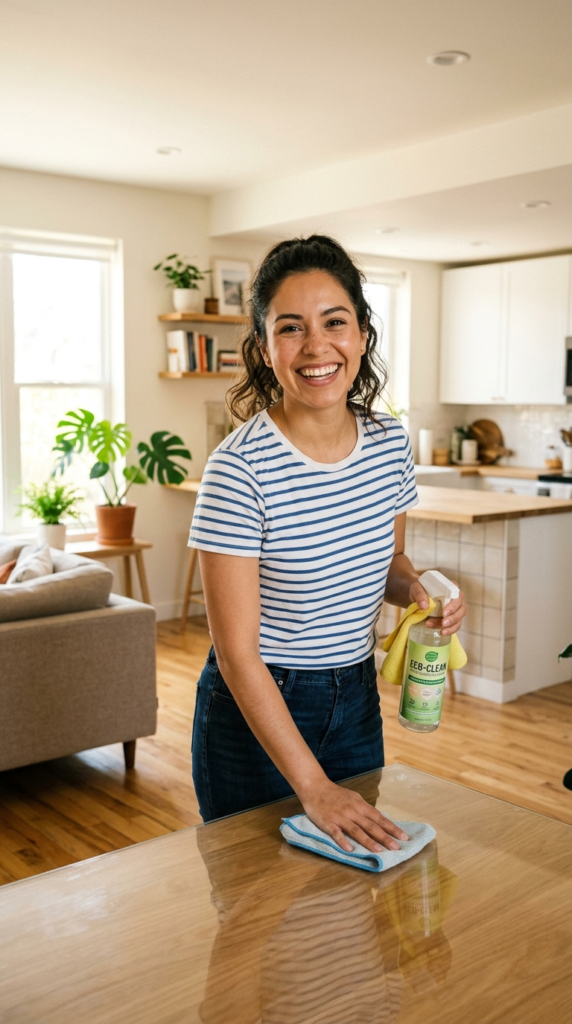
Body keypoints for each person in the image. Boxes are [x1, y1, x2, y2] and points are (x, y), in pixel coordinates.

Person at [189, 235, 466, 854]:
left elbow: (388, 562)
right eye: (291, 328)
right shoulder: (238, 471)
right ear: (264, 348)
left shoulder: (390, 443)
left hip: (356, 694)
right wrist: (313, 786)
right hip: (259, 707)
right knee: (253, 914)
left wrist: (418, 589)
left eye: (334, 322)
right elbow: (237, 657)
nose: (316, 346)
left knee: (346, 905)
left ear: (362, 333)